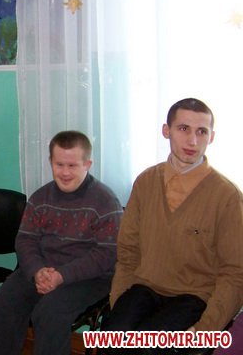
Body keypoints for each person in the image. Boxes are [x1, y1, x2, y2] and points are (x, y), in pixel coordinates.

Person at [102, 98, 243, 352]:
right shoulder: (146, 182)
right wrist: (119, 302)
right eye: (183, 129)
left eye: (202, 132)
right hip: (144, 288)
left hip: (194, 297)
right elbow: (128, 251)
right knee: (111, 341)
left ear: (211, 137)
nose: (192, 141)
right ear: (166, 131)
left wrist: (206, 329)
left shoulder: (227, 196)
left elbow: (234, 272)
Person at [0, 130, 123, 355]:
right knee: (1, 306)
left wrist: (62, 275)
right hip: (42, 269)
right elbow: (26, 240)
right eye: (59, 165)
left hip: (89, 277)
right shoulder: (40, 198)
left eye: (72, 166)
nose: (65, 172)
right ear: (51, 162)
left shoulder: (105, 201)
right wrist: (37, 271)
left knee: (49, 313)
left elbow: (106, 254)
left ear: (87, 164)